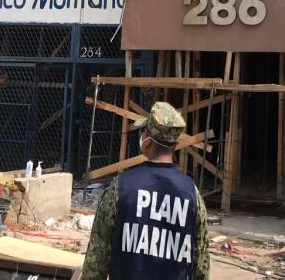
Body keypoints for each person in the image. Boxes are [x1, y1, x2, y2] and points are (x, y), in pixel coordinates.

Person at [81, 102, 209, 280]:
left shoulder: (120, 188)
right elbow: (201, 267)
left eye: (144, 132)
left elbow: (96, 261)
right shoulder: (192, 194)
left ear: (148, 140)